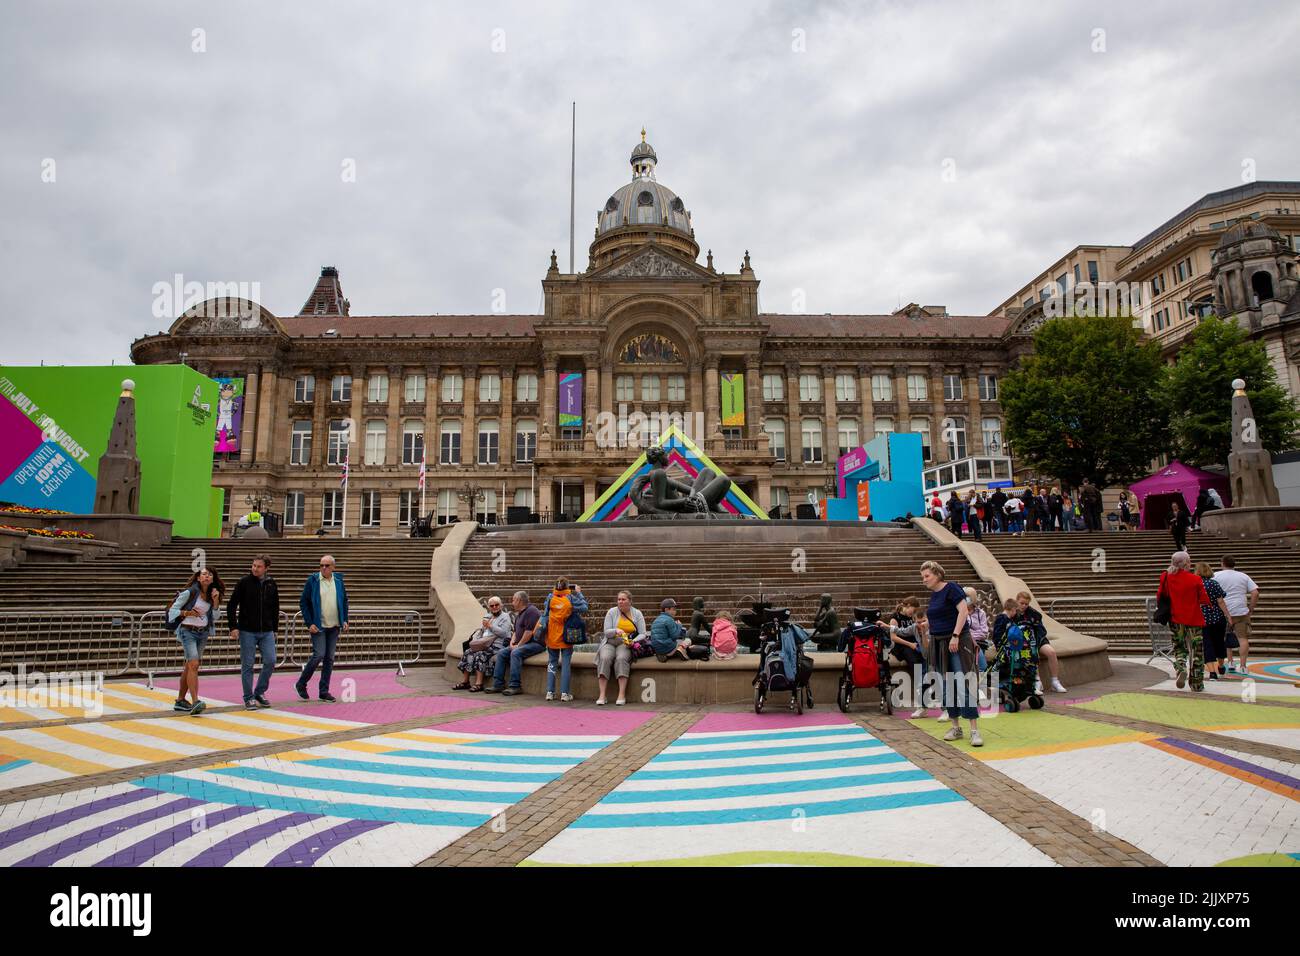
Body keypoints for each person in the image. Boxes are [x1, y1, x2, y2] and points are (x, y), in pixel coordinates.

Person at [920, 560, 981, 746]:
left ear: (937, 574)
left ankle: (974, 730)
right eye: (922, 577)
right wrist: (927, 626)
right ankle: (956, 727)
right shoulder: (934, 595)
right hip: (939, 644)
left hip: (956, 642)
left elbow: (963, 611)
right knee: (948, 686)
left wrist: (955, 636)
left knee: (963, 683)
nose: (924, 580)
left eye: (926, 576)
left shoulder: (952, 588)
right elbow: (942, 616)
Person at [166, 567, 224, 716]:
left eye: (210, 575)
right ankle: (195, 701)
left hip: (203, 633)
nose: (207, 576)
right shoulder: (190, 592)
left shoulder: (212, 595)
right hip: (188, 631)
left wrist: (216, 601)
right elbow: (172, 611)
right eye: (204, 574)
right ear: (198, 578)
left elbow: (216, 617)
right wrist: (187, 612)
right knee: (194, 664)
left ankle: (180, 700)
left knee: (189, 666)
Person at [227, 554, 280, 710]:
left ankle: (259, 692)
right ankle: (248, 697)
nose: (255, 568)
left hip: (267, 630)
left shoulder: (271, 583)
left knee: (270, 661)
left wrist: (275, 628)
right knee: (248, 665)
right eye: (253, 565)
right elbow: (232, 605)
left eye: (259, 566)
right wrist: (233, 626)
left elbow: (275, 607)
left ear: (266, 568)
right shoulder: (244, 582)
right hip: (247, 630)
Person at [296, 554, 350, 702]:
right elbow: (303, 602)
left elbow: (344, 601)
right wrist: (309, 623)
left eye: (327, 565)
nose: (324, 568)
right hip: (318, 625)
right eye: (321, 565)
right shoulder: (313, 580)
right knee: (319, 654)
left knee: (329, 658)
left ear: (333, 567)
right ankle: (301, 683)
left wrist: (344, 619)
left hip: (334, 626)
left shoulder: (338, 581)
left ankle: (323, 690)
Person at [1158, 551, 1210, 691]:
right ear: (1186, 563)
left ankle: (1181, 667)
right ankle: (1197, 684)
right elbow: (1204, 599)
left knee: (1179, 647)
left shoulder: (1165, 577)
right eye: (1189, 560)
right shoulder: (1195, 579)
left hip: (1175, 619)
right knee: (1197, 651)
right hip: (1194, 619)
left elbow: (1160, 595)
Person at [535, 578, 588, 702]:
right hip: (566, 635)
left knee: (552, 662)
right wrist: (579, 593)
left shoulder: (550, 597)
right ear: (567, 587)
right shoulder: (570, 598)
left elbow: (545, 613)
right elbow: (584, 607)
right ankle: (565, 694)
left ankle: (550, 692)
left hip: (552, 634)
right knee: (565, 664)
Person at [485, 590, 543, 696]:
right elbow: (516, 631)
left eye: (513, 600)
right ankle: (498, 684)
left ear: (519, 600)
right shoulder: (520, 613)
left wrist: (518, 645)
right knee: (502, 653)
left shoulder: (531, 611)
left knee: (516, 653)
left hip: (536, 644)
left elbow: (529, 633)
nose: (512, 602)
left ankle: (515, 686)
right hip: (522, 643)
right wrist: (512, 643)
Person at [453, 596, 512, 691]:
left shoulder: (505, 617)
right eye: (492, 606)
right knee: (468, 652)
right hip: (484, 644)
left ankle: (479, 683)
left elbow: (504, 633)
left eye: (496, 605)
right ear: (489, 607)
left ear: (501, 605)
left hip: (497, 645)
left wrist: (490, 626)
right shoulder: (488, 616)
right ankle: (465, 681)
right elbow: (482, 632)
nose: (494, 607)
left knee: (481, 654)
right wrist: (477, 640)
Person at [1213, 556, 1259, 675]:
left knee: (1225, 637)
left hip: (1222, 611)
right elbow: (1255, 592)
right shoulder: (1243, 576)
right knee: (1243, 639)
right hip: (1241, 611)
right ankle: (1243, 666)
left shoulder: (1216, 575)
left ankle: (1231, 662)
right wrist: (1251, 609)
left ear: (1222, 563)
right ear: (1234, 564)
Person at [598, 590, 645, 705]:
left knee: (621, 659)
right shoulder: (611, 612)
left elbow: (643, 633)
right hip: (610, 642)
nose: (620, 601)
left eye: (623, 599)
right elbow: (606, 632)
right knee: (604, 658)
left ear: (630, 601)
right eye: (619, 599)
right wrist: (616, 630)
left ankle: (621, 694)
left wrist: (632, 641)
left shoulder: (637, 613)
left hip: (625, 643)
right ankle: (602, 695)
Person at [1015, 591, 1067, 692]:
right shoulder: (1013, 613)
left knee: (1051, 652)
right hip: (1023, 643)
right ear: (1017, 601)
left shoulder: (1034, 614)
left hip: (1037, 640)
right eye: (1022, 603)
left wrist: (1035, 642)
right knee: (1031, 653)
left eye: (1026, 604)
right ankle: (1037, 681)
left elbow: (1041, 631)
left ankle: (1055, 681)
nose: (1024, 606)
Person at [888, 605, 929, 718]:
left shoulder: (932, 629)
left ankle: (946, 710)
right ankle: (922, 708)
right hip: (926, 659)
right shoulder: (914, 628)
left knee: (942, 682)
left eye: (924, 621)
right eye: (918, 622)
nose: (921, 625)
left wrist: (925, 633)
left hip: (937, 658)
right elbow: (900, 631)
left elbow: (927, 649)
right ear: (914, 621)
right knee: (922, 682)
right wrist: (885, 626)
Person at [1195, 563, 1231, 681]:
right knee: (1219, 642)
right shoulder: (1214, 583)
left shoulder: (1196, 584)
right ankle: (1220, 666)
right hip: (1218, 618)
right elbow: (1220, 602)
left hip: (1202, 618)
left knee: (1207, 645)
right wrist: (1228, 616)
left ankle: (1212, 673)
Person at [964, 586, 992, 701]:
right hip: (964, 643)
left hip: (979, 643)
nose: (965, 599)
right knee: (979, 661)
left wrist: (970, 634)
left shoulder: (981, 613)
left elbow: (984, 632)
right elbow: (962, 631)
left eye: (968, 597)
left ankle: (980, 689)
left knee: (978, 656)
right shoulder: (959, 612)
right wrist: (970, 634)